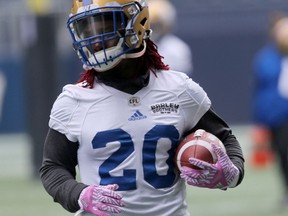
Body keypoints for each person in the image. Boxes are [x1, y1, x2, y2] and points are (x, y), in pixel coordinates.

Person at [39, 1, 245, 215]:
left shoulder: (179, 89)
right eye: (87, 30)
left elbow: (226, 139)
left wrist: (232, 173)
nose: (94, 42)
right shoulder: (73, 100)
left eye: (104, 29)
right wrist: (78, 194)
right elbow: (53, 167)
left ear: (135, 24)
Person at [252, 13, 288, 208]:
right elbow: (261, 90)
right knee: (282, 155)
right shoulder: (266, 58)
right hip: (277, 115)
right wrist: (260, 119)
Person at [148, 0, 193, 77]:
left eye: (156, 25)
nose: (153, 30)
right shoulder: (137, 46)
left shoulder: (177, 49)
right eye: (150, 25)